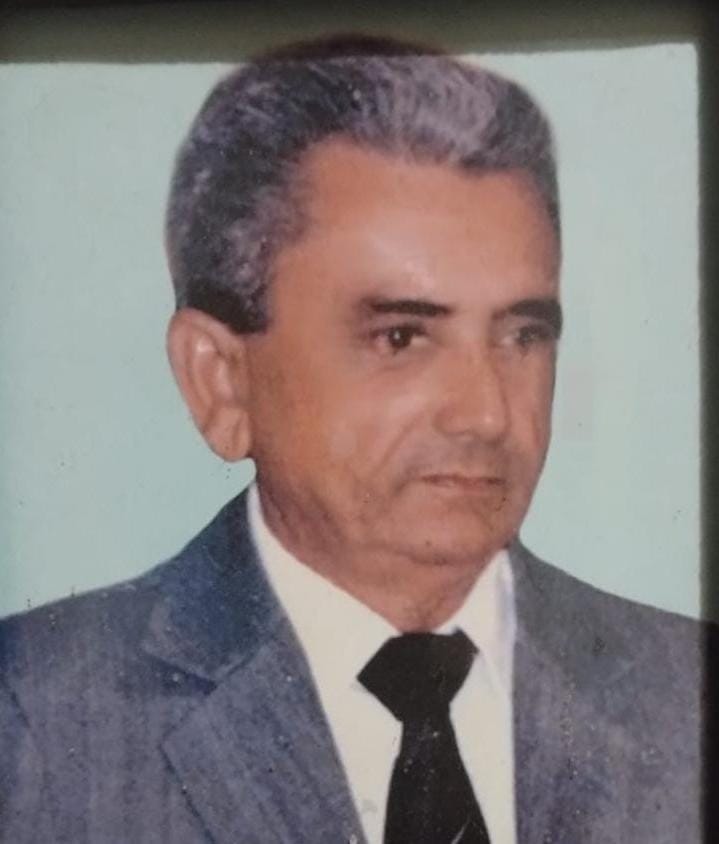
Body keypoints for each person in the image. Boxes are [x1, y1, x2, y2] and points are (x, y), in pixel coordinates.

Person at [0, 35, 709, 844]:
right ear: (220, 381)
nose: (485, 414)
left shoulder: (687, 696)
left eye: (521, 335)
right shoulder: (33, 727)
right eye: (400, 337)